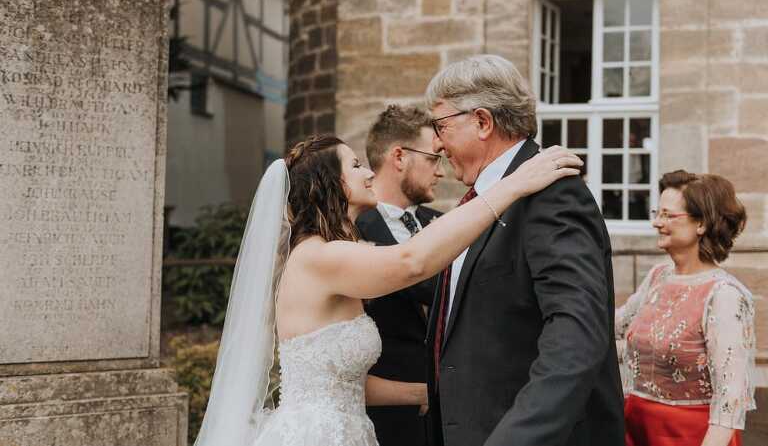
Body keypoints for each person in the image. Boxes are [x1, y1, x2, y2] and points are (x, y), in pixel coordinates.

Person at [192, 134, 582, 446]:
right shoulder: (316, 258)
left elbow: (341, 383)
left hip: (350, 431)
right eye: (356, 165)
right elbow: (412, 262)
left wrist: (426, 392)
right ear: (332, 184)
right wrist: (512, 185)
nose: (368, 173)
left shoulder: (332, 257)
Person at [423, 54, 625, 446]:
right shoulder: (482, 203)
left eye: (440, 126)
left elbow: (576, 334)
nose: (435, 143)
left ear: (482, 121)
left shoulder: (553, 193)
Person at [616, 170, 756, 446]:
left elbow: (730, 397)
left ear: (701, 223)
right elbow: (615, 325)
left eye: (668, 215)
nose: (657, 222)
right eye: (657, 213)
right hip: (636, 431)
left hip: (691, 437)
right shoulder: (657, 277)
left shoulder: (724, 295)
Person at [356, 104, 444, 446]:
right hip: (381, 415)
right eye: (434, 158)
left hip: (442, 413)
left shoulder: (442, 223)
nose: (440, 171)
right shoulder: (349, 229)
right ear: (399, 157)